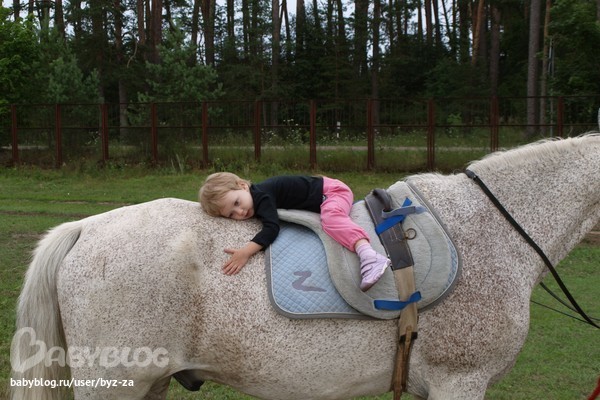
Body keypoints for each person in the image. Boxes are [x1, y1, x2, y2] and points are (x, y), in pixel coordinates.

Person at [199, 173, 390, 291]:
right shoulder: (255, 197)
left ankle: (369, 255)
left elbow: (271, 228)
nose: (240, 212)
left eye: (237, 202)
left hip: (333, 192)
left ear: (242, 186)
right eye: (231, 214)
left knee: (331, 219)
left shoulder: (262, 196)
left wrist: (245, 252)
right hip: (327, 190)